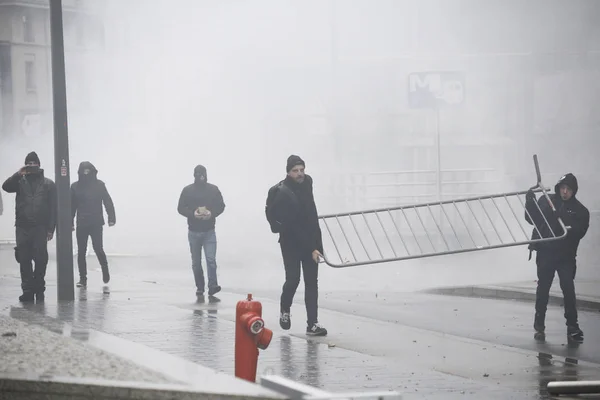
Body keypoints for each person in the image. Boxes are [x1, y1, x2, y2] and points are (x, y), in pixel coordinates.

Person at [266, 155, 327, 336]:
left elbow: (311, 215)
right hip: (291, 243)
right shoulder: (283, 193)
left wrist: (318, 245)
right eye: (295, 171)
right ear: (288, 172)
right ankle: (285, 310)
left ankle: (312, 324)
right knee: (293, 280)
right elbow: (293, 226)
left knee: (311, 283)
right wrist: (312, 248)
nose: (299, 174)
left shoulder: (308, 183)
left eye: (302, 169)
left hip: (310, 243)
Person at [525, 173, 589, 343]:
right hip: (546, 253)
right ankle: (539, 324)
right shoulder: (547, 201)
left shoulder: (580, 210)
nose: (565, 192)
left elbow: (579, 232)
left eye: (568, 189)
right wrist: (530, 202)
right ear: (558, 188)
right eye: (563, 188)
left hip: (565, 256)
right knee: (543, 289)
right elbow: (531, 219)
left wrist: (562, 218)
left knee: (568, 288)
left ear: (574, 190)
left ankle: (572, 326)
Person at [2, 152, 56, 303]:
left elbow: (53, 208)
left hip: (40, 226)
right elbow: (5, 187)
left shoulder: (48, 184)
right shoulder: (19, 181)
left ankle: (39, 287)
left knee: (40, 259)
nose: (32, 166)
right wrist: (18, 174)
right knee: (24, 259)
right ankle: (27, 290)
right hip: (22, 226)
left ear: (39, 165)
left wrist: (51, 228)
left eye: (34, 163)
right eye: (29, 164)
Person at [178, 165, 225, 297]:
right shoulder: (187, 191)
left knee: (210, 259)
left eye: (203, 175)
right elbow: (180, 208)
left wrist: (211, 213)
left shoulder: (213, 190)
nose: (201, 178)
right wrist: (193, 214)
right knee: (196, 263)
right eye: (199, 175)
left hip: (209, 230)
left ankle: (212, 285)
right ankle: (200, 287)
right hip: (193, 231)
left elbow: (221, 206)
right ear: (195, 176)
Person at [71, 161, 116, 287]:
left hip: (96, 222)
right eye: (84, 171)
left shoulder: (99, 185)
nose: (86, 173)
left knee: (98, 248)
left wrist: (111, 218)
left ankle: (105, 269)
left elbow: (107, 202)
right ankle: (83, 279)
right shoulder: (75, 187)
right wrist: (70, 222)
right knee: (81, 252)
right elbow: (72, 206)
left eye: (88, 171)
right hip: (82, 222)